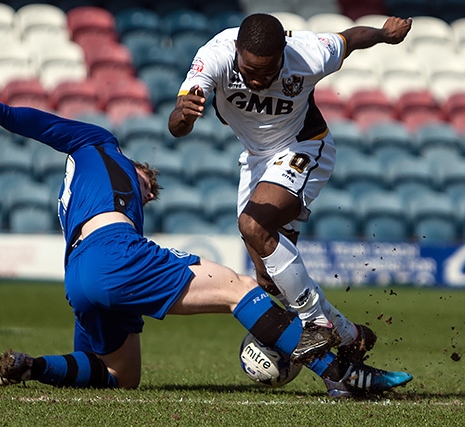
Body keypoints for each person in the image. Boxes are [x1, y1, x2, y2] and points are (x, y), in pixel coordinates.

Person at [0, 83, 412, 398]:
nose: (150, 191)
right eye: (147, 183)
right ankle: (340, 376)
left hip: (78, 274)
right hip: (113, 253)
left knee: (120, 375)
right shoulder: (100, 143)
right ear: (134, 167)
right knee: (238, 288)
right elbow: (45, 125)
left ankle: (31, 366)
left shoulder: (79, 193)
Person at [168, 14, 412, 365]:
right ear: (237, 49)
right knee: (269, 282)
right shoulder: (215, 55)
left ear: (284, 52)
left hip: (305, 146)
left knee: (254, 225)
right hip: (256, 160)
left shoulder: (308, 52)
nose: (257, 79)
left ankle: (316, 322)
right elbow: (176, 125)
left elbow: (350, 38)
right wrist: (183, 116)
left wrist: (384, 35)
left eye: (267, 72)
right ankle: (351, 336)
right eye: (250, 70)